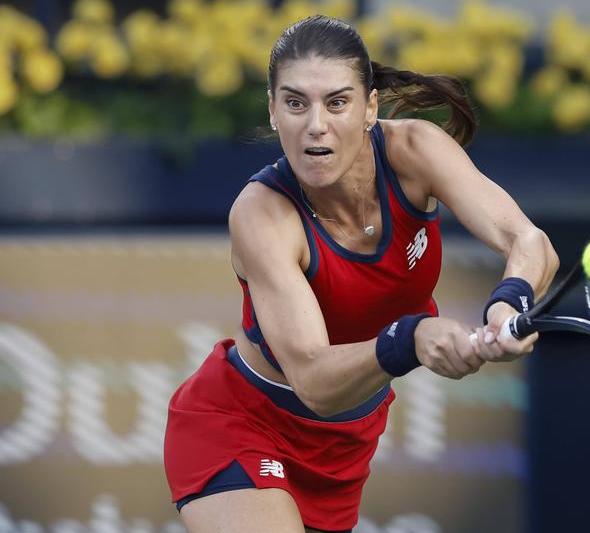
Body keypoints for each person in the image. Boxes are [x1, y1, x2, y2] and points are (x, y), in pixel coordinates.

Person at [163, 14, 559, 533]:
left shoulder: (415, 150)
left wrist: (510, 299)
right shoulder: (261, 215)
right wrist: (411, 337)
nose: (316, 125)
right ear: (273, 110)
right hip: (241, 424)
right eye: (296, 103)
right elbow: (314, 379)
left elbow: (531, 243)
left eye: (338, 102)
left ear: (370, 107)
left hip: (344, 445)